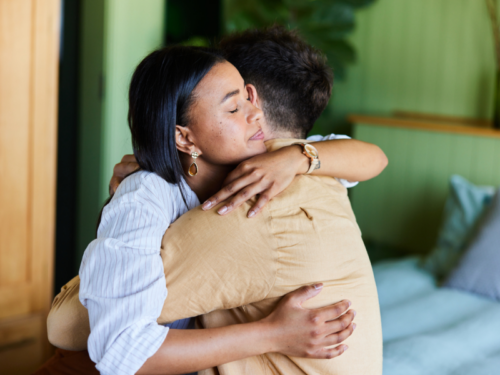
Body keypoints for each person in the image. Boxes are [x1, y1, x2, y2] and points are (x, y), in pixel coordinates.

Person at [47, 28, 386, 375]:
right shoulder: (146, 198)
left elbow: (375, 157)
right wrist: (272, 334)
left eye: (248, 99)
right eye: (235, 105)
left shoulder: (280, 165)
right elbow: (112, 347)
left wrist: (297, 157)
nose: (253, 113)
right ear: (184, 136)